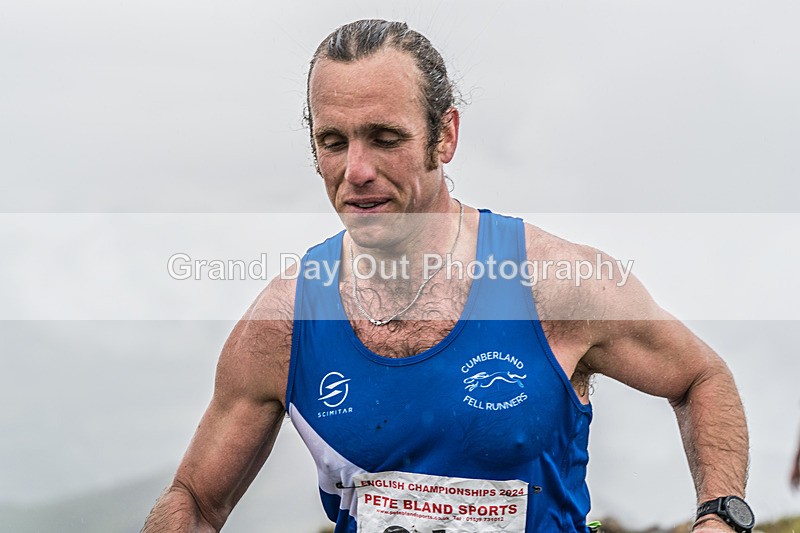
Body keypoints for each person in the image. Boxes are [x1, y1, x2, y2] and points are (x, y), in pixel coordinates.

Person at [142, 19, 752, 533]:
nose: (356, 170)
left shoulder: (552, 283)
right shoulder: (286, 322)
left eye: (385, 139)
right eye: (333, 141)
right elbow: (195, 501)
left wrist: (720, 517)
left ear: (446, 135)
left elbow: (702, 377)